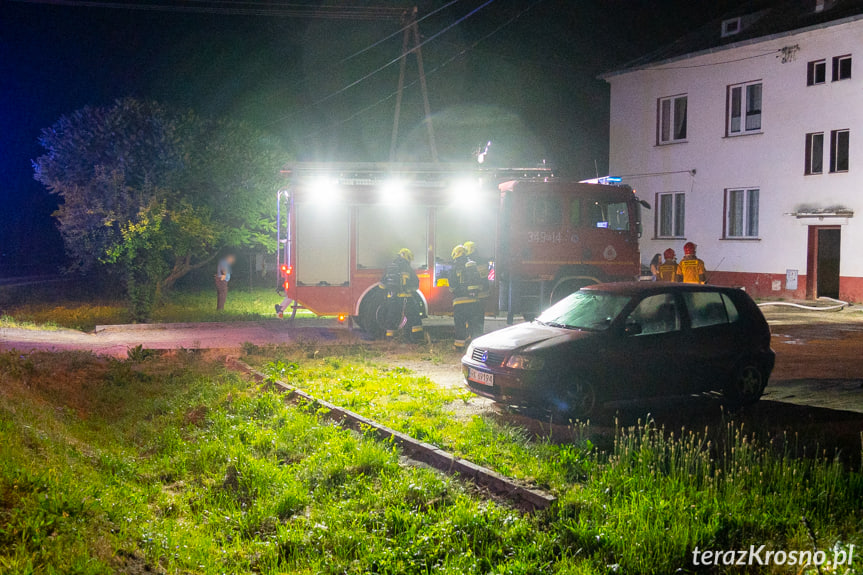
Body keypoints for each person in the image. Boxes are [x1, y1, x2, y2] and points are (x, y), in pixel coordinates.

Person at [382, 248, 424, 342]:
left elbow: (382, 284)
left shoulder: (390, 267)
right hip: (406, 298)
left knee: (391, 317)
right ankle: (415, 337)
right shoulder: (407, 267)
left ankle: (390, 338)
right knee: (414, 315)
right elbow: (416, 283)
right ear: (407, 257)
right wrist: (410, 290)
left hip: (392, 298)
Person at [450, 244, 482, 350]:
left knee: (460, 325)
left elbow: (452, 287)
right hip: (474, 301)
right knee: (474, 325)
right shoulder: (472, 265)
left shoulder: (454, 268)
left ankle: (459, 347)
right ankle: (477, 348)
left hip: (459, 302)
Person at [463, 240, 490, 337]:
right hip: (482, 293)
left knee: (474, 315)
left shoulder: (472, 262)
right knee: (478, 316)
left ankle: (474, 335)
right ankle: (477, 334)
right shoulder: (481, 261)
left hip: (478, 294)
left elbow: (477, 279)